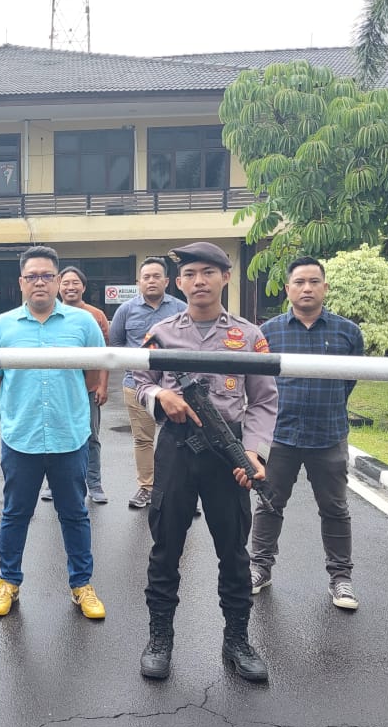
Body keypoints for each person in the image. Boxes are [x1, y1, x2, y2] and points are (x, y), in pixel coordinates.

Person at [133, 241, 277, 683]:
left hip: (227, 453)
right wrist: (162, 396)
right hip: (176, 449)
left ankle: (237, 640)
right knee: (165, 548)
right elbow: (140, 381)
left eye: (208, 273)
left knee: (233, 551)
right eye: (191, 274)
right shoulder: (161, 332)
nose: (199, 281)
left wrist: (253, 452)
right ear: (179, 282)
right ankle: (160, 638)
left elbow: (263, 400)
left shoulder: (248, 336)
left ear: (225, 278)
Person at [0, 246, 107, 621]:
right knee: (15, 514)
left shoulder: (83, 324)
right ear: (21, 282)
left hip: (70, 436)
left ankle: (82, 584)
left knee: (75, 514)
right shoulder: (2, 326)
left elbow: (93, 374)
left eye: (47, 276)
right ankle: (8, 581)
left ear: (57, 280)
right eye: (32, 276)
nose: (40, 282)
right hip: (22, 437)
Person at [251, 256, 365, 610]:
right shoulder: (268, 333)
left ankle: (341, 578)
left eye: (314, 282)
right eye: (299, 282)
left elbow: (349, 381)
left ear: (325, 287)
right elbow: (259, 384)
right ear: (288, 289)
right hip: (279, 436)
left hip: (328, 435)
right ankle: (259, 568)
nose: (307, 288)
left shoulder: (348, 332)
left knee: (335, 509)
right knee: (269, 504)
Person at [108, 257, 185, 509]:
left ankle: (179, 489)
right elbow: (116, 344)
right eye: (146, 277)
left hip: (175, 388)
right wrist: (133, 368)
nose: (151, 281)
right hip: (136, 385)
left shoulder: (181, 309)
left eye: (156, 276)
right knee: (143, 439)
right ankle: (147, 488)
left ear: (167, 281)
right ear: (138, 282)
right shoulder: (126, 310)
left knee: (179, 440)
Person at [50, 265, 110, 504]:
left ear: (84, 287)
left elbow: (105, 355)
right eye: (65, 283)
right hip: (60, 390)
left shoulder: (96, 316)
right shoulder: (49, 315)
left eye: (75, 282)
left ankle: (94, 483)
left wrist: (102, 386)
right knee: (56, 435)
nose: (70, 287)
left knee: (91, 436)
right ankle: (54, 485)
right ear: (58, 286)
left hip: (89, 389)